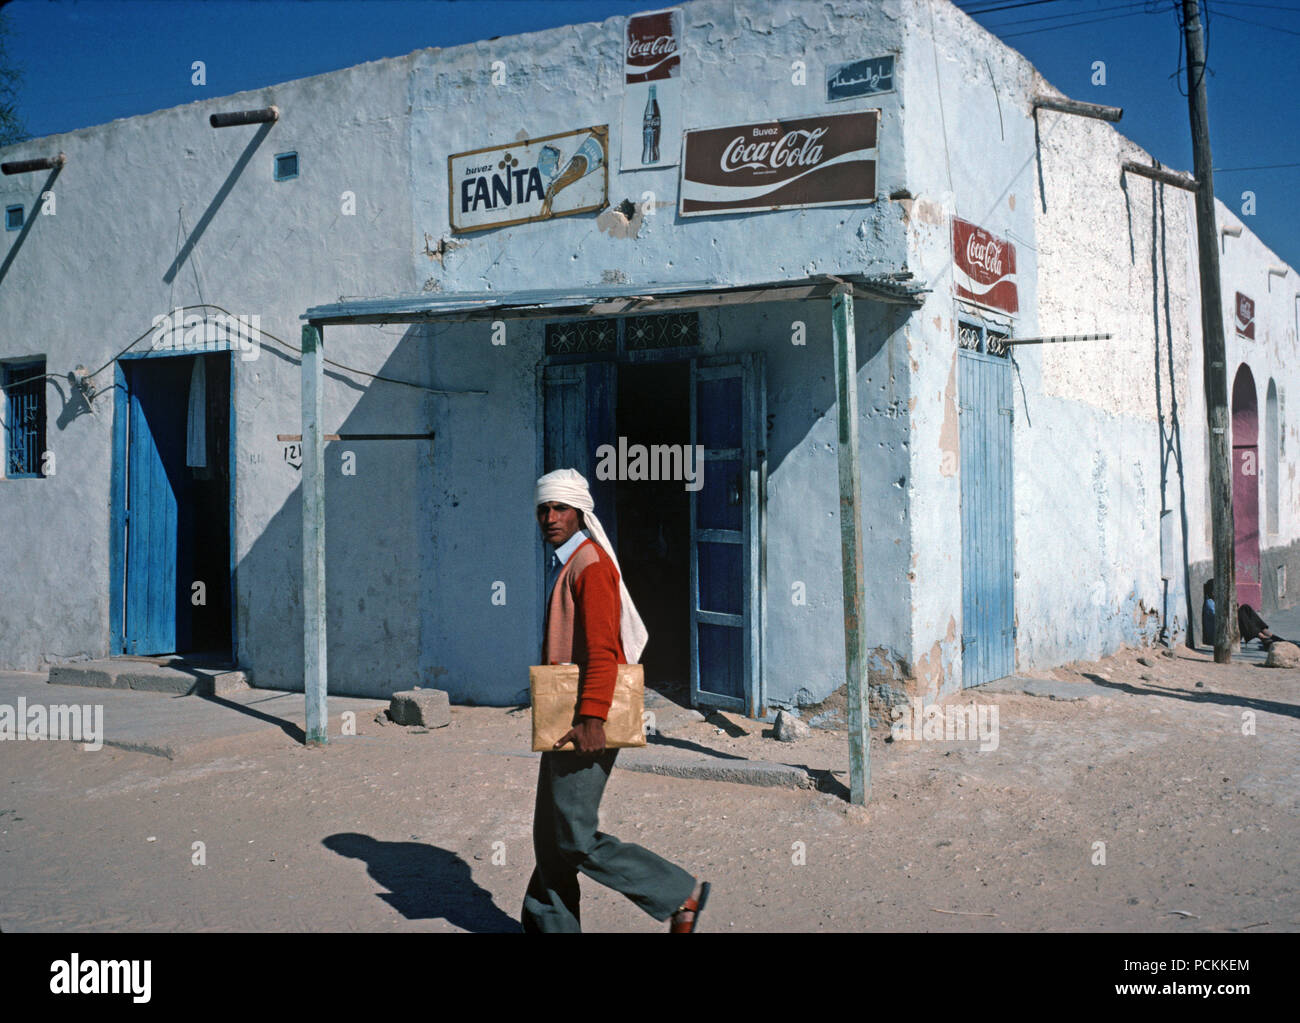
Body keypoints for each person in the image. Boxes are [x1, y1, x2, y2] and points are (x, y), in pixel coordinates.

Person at [522, 467, 710, 933]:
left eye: (560, 508)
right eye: (544, 509)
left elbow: (604, 650)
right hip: (564, 717)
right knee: (550, 838)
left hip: (585, 719)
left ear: (580, 512)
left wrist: (591, 719)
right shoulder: (571, 563)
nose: (550, 517)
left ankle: (677, 892)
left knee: (574, 840)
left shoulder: (591, 566)